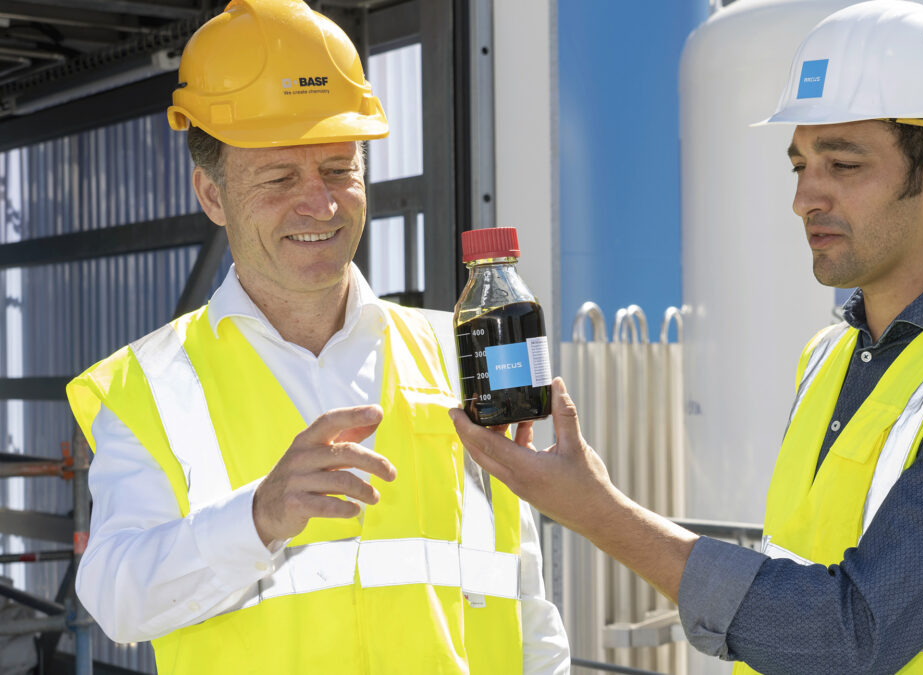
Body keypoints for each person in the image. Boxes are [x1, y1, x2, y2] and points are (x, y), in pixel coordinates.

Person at [450, 1, 923, 673]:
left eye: (844, 165)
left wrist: (597, 510)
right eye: (800, 165)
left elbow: (845, 638)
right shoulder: (828, 357)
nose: (805, 197)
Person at [65, 0, 569, 672]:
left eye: (339, 170)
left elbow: (524, 600)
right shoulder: (149, 386)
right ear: (211, 195)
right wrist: (258, 517)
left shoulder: (455, 354)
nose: (320, 204)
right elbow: (116, 598)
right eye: (279, 178)